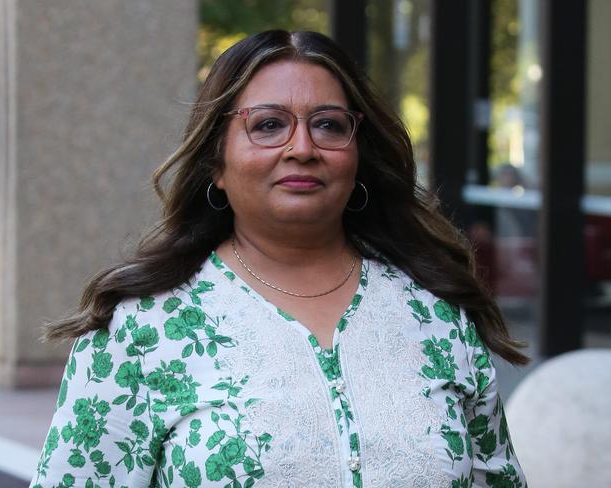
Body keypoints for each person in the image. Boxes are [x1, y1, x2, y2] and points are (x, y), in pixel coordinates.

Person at [30, 30, 528, 488]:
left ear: (357, 156)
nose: (302, 148)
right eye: (268, 125)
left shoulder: (435, 314)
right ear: (215, 163)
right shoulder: (144, 329)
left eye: (329, 126)